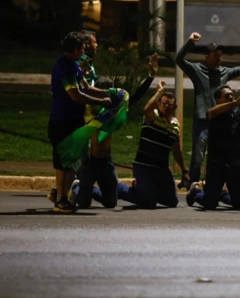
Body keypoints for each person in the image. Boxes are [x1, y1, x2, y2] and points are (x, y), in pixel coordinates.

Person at [66, 54, 159, 209]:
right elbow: (76, 93)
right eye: (105, 93)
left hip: (106, 161)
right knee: (83, 204)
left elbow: (134, 96)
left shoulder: (112, 109)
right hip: (89, 162)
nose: (108, 97)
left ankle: (86, 189)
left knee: (111, 203)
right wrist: (79, 74)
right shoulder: (88, 107)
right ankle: (76, 187)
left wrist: (151, 76)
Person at [172, 32, 240, 189]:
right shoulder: (197, 70)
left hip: (221, 121)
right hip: (203, 120)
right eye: (215, 56)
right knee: (198, 155)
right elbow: (179, 60)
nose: (219, 59)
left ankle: (212, 184)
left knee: (217, 155)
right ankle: (193, 184)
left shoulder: (224, 72)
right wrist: (190, 42)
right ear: (206, 57)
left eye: (220, 56)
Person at [48, 32, 112, 213]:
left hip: (73, 120)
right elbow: (76, 95)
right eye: (82, 49)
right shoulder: (64, 67)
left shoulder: (74, 65)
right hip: (62, 121)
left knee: (71, 162)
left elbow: (87, 87)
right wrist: (100, 101)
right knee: (63, 162)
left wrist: (110, 93)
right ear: (74, 49)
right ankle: (60, 200)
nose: (84, 52)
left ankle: (63, 196)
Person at [186, 86, 240, 210]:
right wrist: (235, 102)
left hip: (234, 164)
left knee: (239, 204)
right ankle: (195, 191)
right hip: (216, 164)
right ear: (218, 100)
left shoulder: (238, 112)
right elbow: (212, 113)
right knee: (210, 204)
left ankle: (220, 194)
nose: (231, 97)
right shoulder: (213, 113)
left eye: (232, 95)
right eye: (227, 96)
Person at [116, 81, 189, 208]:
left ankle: (145, 189)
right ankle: (120, 188)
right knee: (148, 202)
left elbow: (176, 151)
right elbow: (146, 109)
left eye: (170, 104)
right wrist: (159, 92)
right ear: (159, 104)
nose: (166, 106)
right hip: (144, 166)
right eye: (163, 103)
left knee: (172, 201)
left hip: (161, 169)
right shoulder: (153, 116)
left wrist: (184, 171)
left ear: (175, 107)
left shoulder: (175, 125)